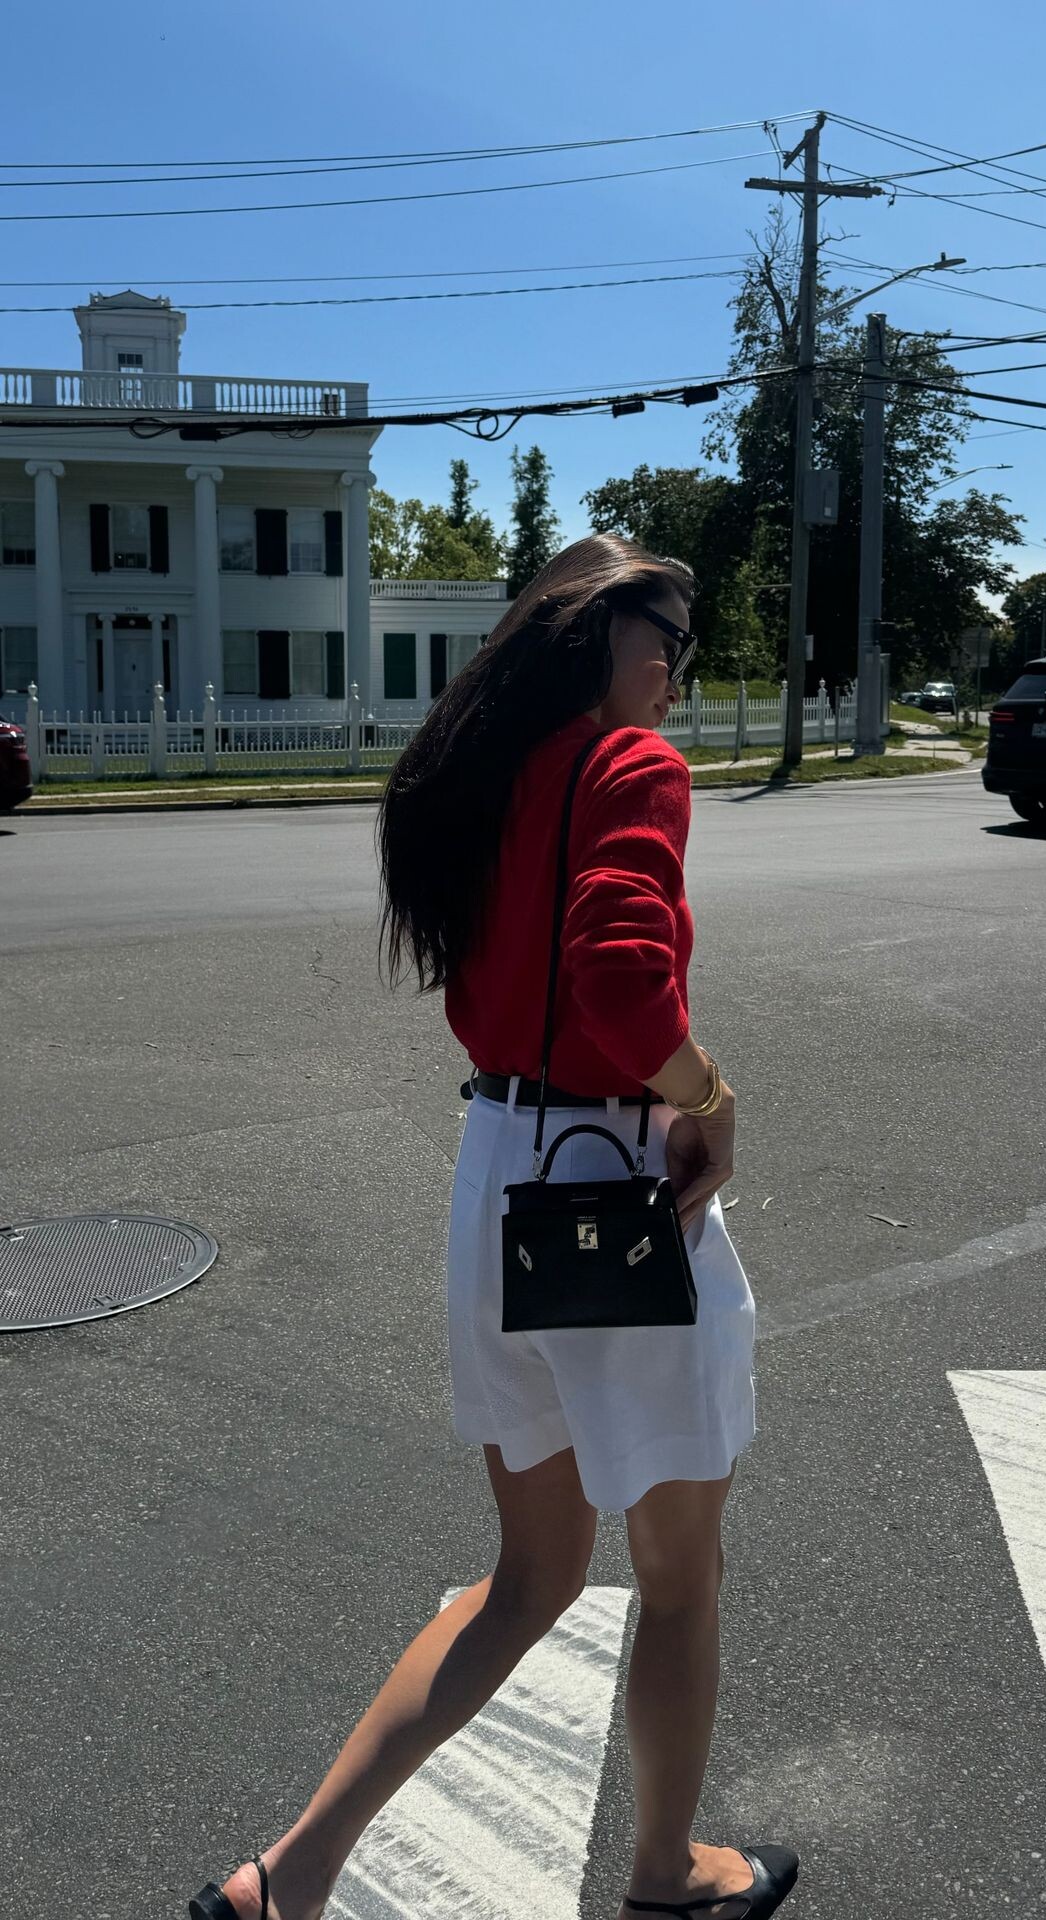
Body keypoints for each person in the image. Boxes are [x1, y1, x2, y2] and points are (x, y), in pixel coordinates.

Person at [189, 534, 797, 1920]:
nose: (673, 672)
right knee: (678, 1577)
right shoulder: (627, 764)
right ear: (595, 637)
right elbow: (621, 979)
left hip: (499, 1175)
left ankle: (288, 1878)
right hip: (613, 1185)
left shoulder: (476, 779)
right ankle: (664, 1875)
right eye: (664, 640)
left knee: (529, 1576)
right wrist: (710, 1096)